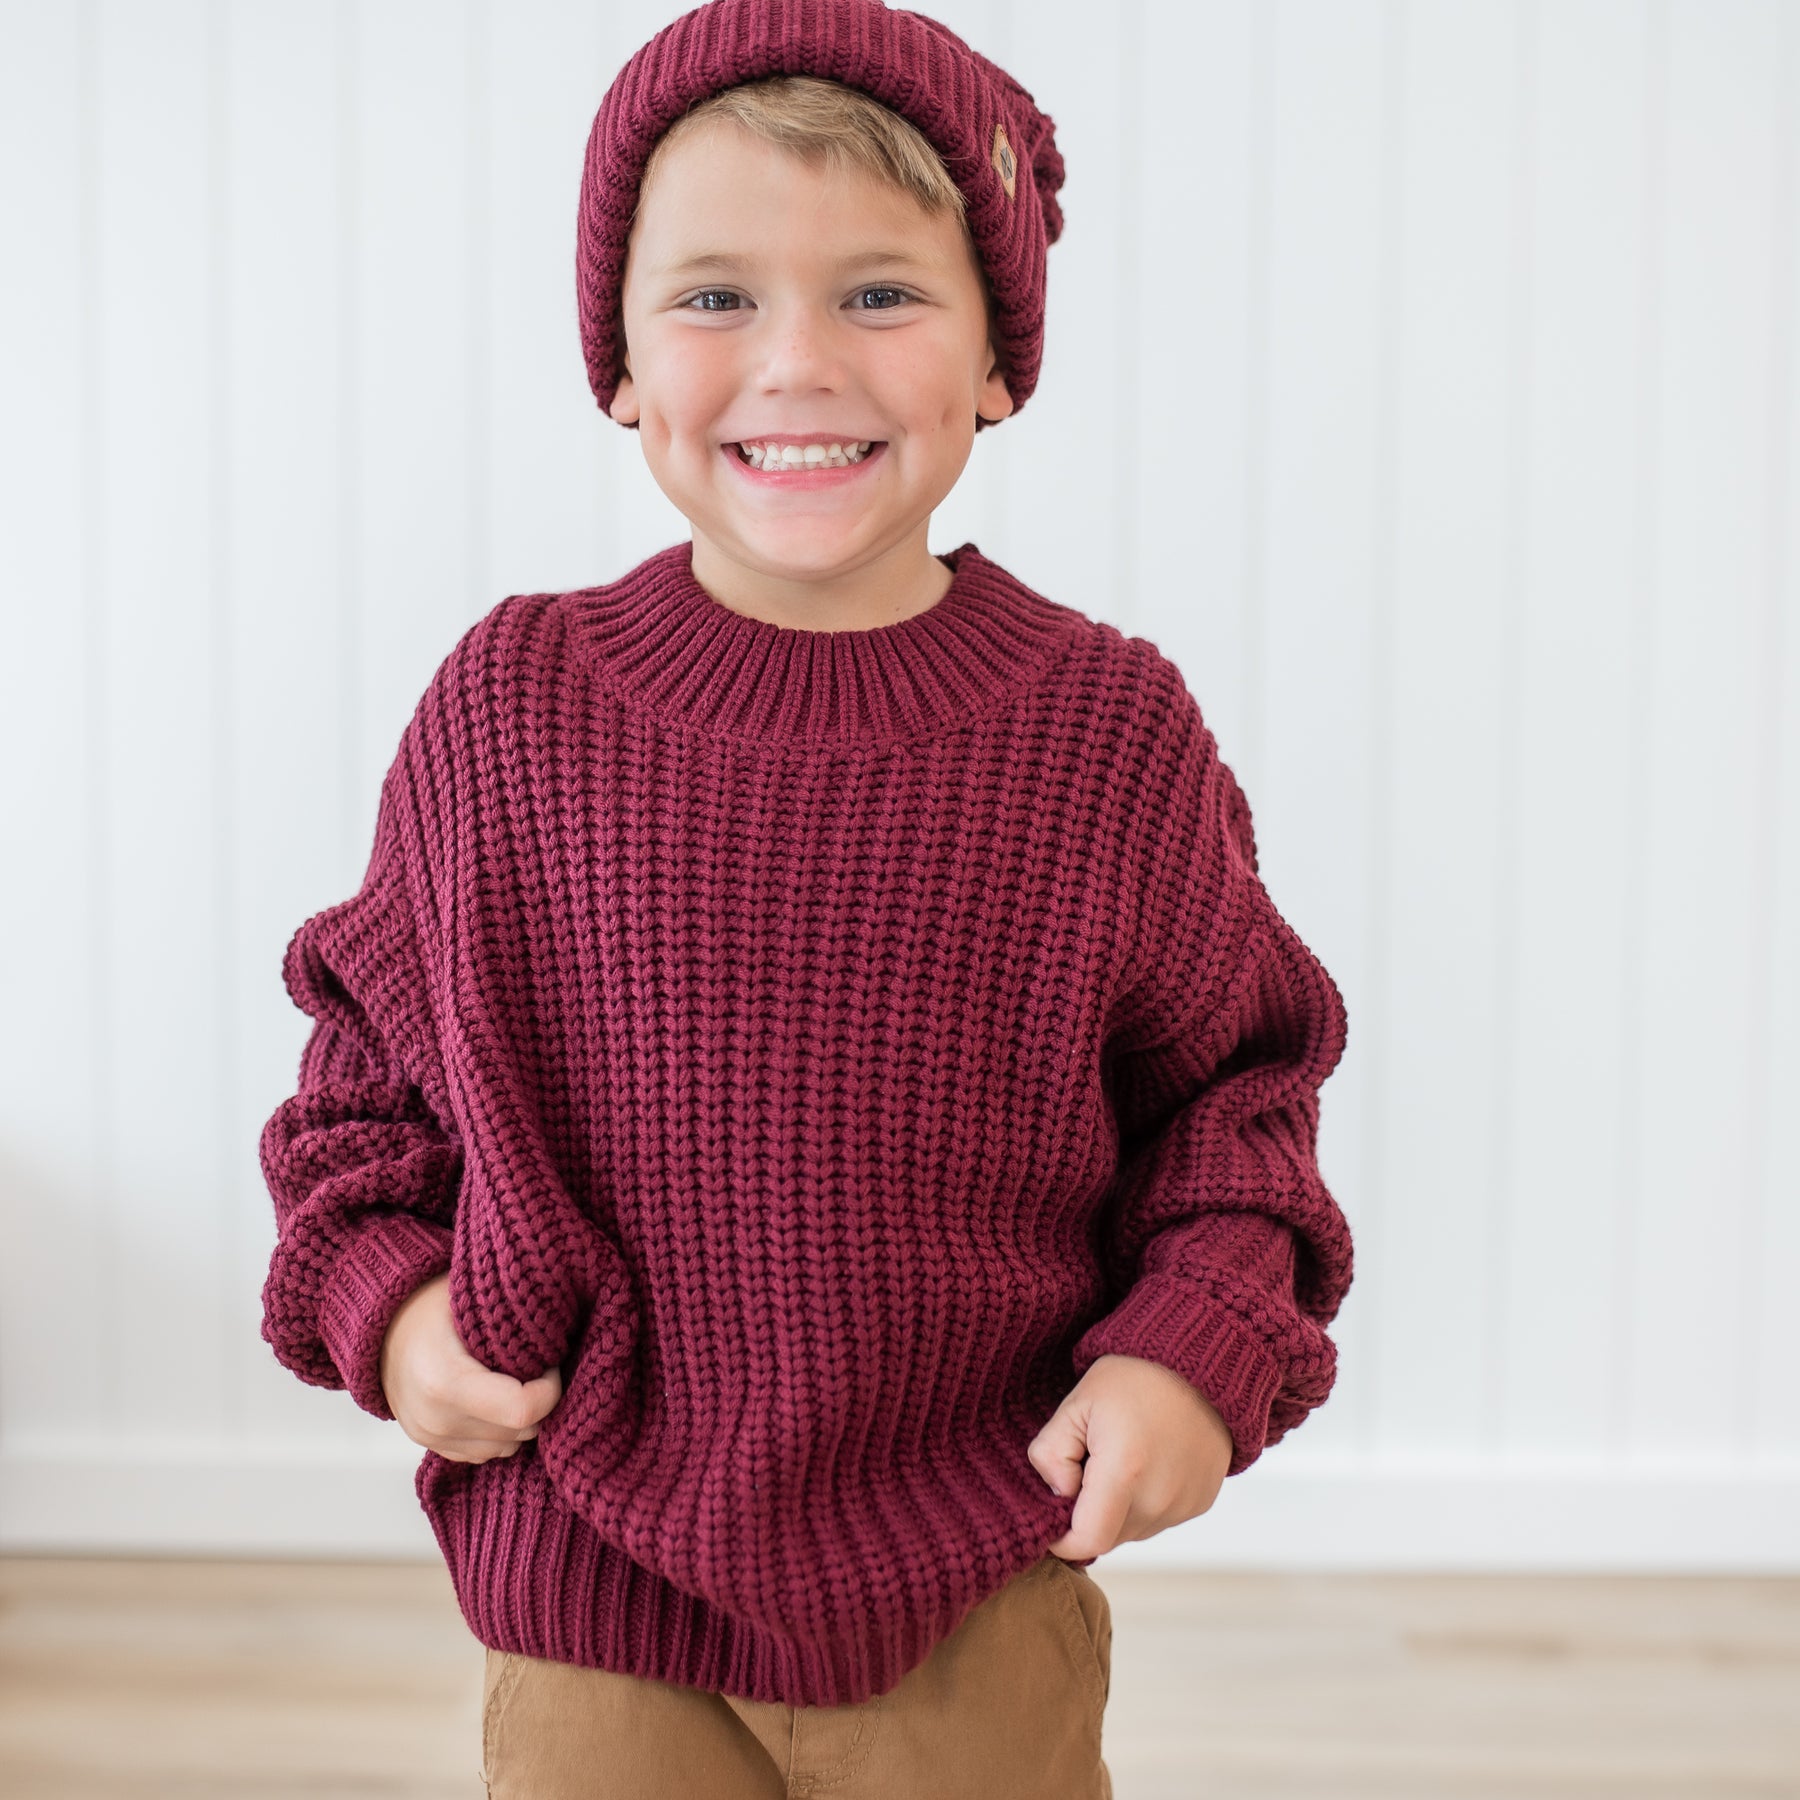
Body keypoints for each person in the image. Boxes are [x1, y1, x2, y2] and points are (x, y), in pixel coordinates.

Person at [256, 2, 1354, 1794]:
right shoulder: (511, 708)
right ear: (618, 360)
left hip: (975, 1566)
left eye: (881, 295)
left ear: (999, 358)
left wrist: (1192, 1351)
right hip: (590, 1576)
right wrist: (391, 1301)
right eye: (714, 297)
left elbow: (1238, 1103)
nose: (796, 363)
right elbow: (364, 1090)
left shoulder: (1106, 733)